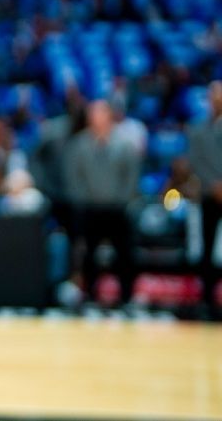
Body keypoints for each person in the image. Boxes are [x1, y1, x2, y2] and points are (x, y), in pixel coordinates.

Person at [64, 100, 142, 306]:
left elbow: (131, 176)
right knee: (88, 255)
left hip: (117, 209)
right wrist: (84, 200)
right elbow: (74, 178)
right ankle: (89, 296)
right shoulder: (78, 144)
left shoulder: (124, 144)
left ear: (109, 116)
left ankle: (126, 297)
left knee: (124, 254)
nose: (95, 119)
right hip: (90, 209)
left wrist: (123, 200)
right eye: (92, 115)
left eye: (99, 114)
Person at [185, 80, 222, 316]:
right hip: (209, 194)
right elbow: (195, 162)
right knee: (207, 248)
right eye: (214, 96)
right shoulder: (197, 129)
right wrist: (215, 185)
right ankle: (207, 300)